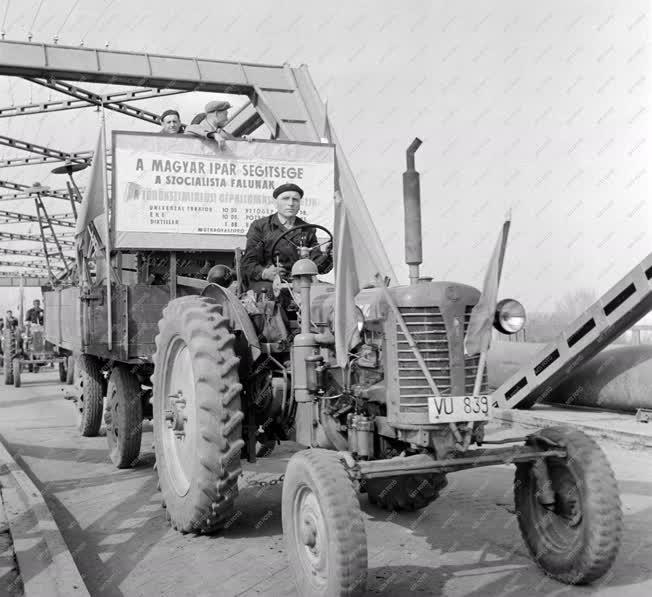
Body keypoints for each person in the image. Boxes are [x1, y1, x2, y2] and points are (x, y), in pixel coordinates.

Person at [241, 183, 332, 291]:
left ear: (299, 204)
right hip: (266, 282)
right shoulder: (260, 227)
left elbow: (317, 266)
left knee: (329, 292)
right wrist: (265, 273)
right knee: (271, 298)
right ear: (275, 202)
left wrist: (329, 257)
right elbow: (248, 263)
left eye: (295, 200)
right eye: (285, 198)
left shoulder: (308, 230)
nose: (290, 203)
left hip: (300, 281)